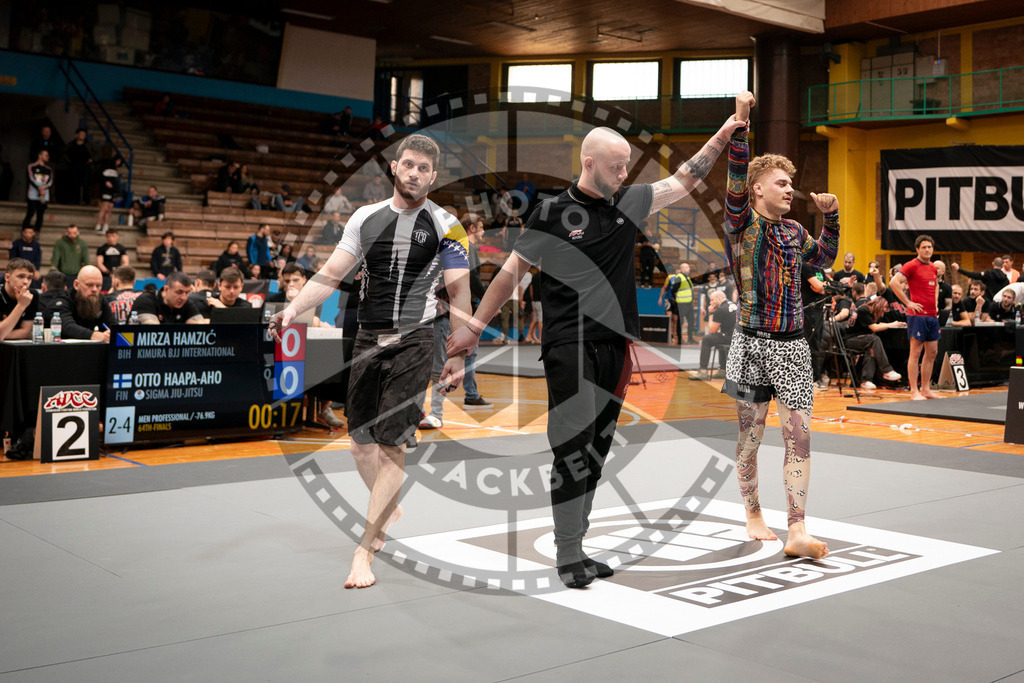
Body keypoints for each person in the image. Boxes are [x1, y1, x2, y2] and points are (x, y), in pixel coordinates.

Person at [448, 112, 745, 588]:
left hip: (616, 345)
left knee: (597, 448)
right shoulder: (549, 214)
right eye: (616, 167)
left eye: (627, 166)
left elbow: (683, 181)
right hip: (570, 343)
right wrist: (474, 327)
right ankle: (568, 552)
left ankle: (578, 544)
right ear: (589, 164)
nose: (624, 175)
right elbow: (510, 273)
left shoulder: (629, 202)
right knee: (571, 445)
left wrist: (723, 133)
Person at [269, 134, 471, 590]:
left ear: (433, 177)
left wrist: (459, 353)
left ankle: (364, 549)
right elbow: (331, 274)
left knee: (392, 446)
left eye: (425, 168)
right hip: (366, 340)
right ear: (395, 167)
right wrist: (292, 309)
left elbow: (460, 292)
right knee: (360, 445)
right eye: (410, 165)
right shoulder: (365, 218)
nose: (416, 173)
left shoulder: (447, 225)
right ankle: (387, 505)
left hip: (415, 342)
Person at [719, 91, 836, 560]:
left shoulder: (794, 231)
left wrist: (831, 218)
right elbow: (733, 175)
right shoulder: (740, 222)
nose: (791, 189)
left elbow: (823, 258)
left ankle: (797, 530)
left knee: (799, 436)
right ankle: (752, 512)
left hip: (792, 346)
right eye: (782, 183)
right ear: (758, 190)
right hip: (750, 343)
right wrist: (742, 121)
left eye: (792, 184)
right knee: (751, 436)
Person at [888, 235, 940, 401]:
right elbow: (894, 283)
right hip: (917, 316)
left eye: (929, 247)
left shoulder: (933, 267)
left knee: (932, 352)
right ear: (917, 249)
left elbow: (936, 285)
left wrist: (936, 304)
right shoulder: (911, 265)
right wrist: (908, 302)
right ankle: (914, 391)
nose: (927, 250)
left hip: (932, 315)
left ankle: (926, 389)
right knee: (916, 352)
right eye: (924, 247)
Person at [842, 296, 904, 389]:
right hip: (850, 340)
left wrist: (897, 323)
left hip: (860, 339)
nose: (886, 310)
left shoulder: (870, 312)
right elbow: (874, 327)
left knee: (871, 350)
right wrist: (891, 324)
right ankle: (886, 370)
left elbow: (877, 324)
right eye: (885, 307)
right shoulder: (864, 310)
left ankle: (865, 380)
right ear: (879, 305)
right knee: (874, 339)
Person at [49, 265, 109, 341]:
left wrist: (110, 333)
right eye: (89, 285)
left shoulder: (99, 299)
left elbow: (112, 324)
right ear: (76, 285)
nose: (94, 289)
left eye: (98, 286)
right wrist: (93, 335)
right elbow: (68, 327)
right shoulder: (62, 301)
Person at [690, 290, 736, 381]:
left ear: (719, 298)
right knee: (720, 336)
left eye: (712, 300)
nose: (710, 303)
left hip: (730, 338)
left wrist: (711, 313)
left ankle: (703, 371)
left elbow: (712, 330)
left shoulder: (721, 309)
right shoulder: (734, 304)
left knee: (707, 339)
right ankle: (723, 370)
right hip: (738, 338)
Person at [131, 271, 204, 324]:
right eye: (179, 292)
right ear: (166, 289)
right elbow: (152, 329)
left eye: (187, 293)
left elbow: (201, 325)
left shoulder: (186, 303)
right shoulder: (146, 300)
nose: (183, 297)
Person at [0, 258, 39, 341]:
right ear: (7, 277)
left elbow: (25, 332)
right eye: (21, 276)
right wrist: (21, 305)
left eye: (29, 278)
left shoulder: (32, 295)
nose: (26, 281)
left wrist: (4, 332)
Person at [24, 149, 53, 232]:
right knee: (30, 212)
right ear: (39, 155)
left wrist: (44, 188)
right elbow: (30, 178)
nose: (47, 157)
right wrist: (39, 187)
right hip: (33, 195)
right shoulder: (31, 167)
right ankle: (25, 230)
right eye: (45, 155)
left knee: (40, 214)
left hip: (43, 195)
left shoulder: (49, 169)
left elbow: (50, 181)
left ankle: (37, 231)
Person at [95, 155, 124, 233]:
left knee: (109, 209)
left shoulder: (115, 169)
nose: (119, 163)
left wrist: (116, 190)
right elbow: (99, 175)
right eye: (118, 161)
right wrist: (105, 182)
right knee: (104, 207)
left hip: (112, 191)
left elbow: (115, 181)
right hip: (105, 190)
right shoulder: (106, 165)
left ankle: (106, 226)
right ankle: (98, 225)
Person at [66, 127, 94, 205]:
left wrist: (92, 159)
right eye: (81, 134)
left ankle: (87, 201)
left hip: (85, 166)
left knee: (85, 184)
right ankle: (74, 201)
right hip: (74, 166)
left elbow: (98, 152)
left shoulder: (88, 144)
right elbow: (65, 153)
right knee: (74, 184)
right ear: (76, 135)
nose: (83, 136)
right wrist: (69, 160)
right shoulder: (71, 144)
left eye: (84, 135)